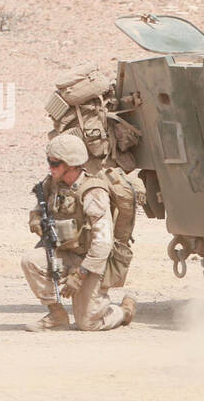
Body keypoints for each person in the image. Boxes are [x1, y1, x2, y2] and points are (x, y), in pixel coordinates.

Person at [21, 134, 136, 332]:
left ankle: (123, 312)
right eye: (50, 162)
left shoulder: (93, 193)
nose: (50, 167)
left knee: (88, 323)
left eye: (55, 163)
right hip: (66, 253)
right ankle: (56, 315)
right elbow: (38, 208)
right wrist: (36, 219)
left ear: (72, 165)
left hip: (91, 263)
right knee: (30, 260)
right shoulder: (53, 184)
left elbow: (102, 244)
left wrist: (80, 275)